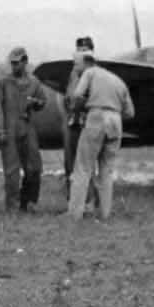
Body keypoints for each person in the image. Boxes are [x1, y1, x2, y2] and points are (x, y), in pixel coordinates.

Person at [66, 45, 135, 220]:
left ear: (87, 62)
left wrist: (78, 113)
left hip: (96, 117)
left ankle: (74, 214)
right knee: (107, 171)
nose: (75, 68)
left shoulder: (89, 73)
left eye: (76, 64)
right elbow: (130, 113)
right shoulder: (117, 80)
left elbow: (77, 96)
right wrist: (112, 113)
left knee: (83, 168)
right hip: (116, 121)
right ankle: (104, 214)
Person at [0, 46, 47, 211]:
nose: (14, 66)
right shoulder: (3, 83)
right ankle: (13, 207)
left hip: (27, 127)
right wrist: (0, 130)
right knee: (11, 171)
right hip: (9, 129)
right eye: (12, 63)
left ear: (25, 62)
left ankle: (29, 202)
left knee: (35, 167)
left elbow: (42, 101)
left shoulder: (34, 82)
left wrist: (36, 103)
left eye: (17, 63)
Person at [62, 36, 94, 193]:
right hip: (72, 122)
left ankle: (89, 199)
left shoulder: (94, 73)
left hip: (86, 123)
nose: (81, 53)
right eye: (79, 50)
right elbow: (68, 95)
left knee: (86, 163)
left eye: (85, 50)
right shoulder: (74, 72)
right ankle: (72, 197)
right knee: (70, 162)